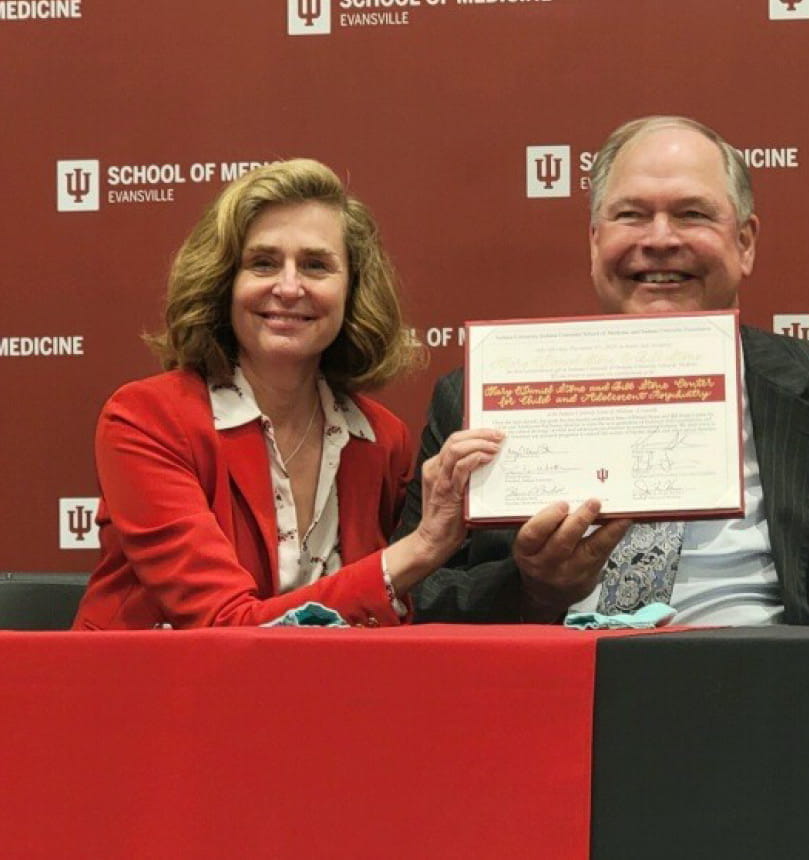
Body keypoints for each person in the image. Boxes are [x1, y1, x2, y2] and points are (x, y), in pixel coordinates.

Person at [398, 116, 809, 625]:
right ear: (595, 242)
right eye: (632, 215)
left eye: (691, 214)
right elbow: (413, 596)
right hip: (560, 690)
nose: (661, 239)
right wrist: (535, 590)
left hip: (769, 689)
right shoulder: (477, 400)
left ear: (746, 243)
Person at [73, 159, 502, 630]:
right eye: (263, 263)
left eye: (316, 266)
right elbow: (225, 627)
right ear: (223, 281)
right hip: (153, 696)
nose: (290, 287)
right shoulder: (147, 419)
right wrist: (420, 548)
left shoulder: (381, 439)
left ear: (353, 290)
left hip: (326, 698)